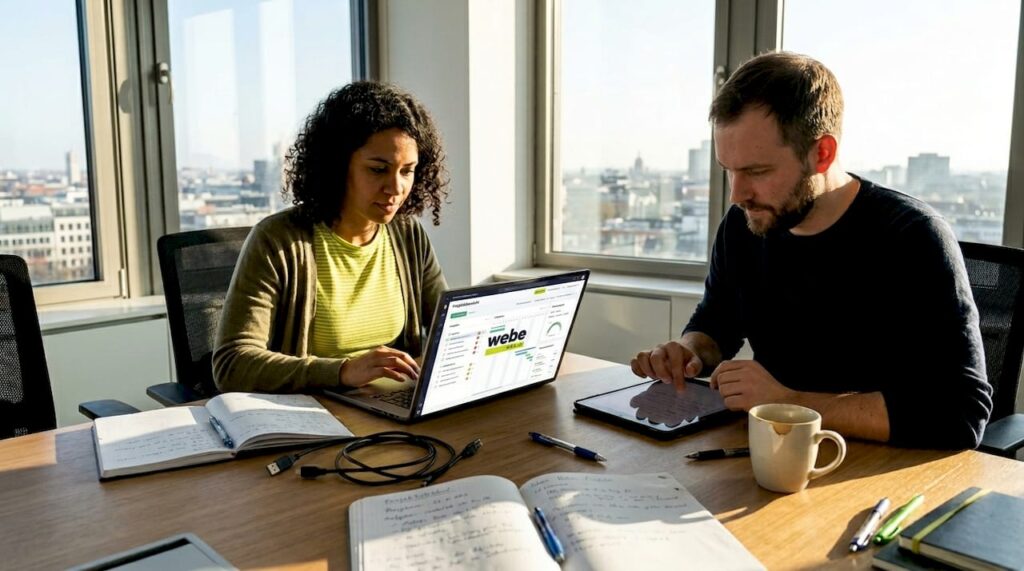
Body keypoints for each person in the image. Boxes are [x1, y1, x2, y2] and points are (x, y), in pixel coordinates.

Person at [631, 52, 992, 449]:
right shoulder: (745, 225)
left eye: (757, 171)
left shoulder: (912, 238)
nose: (737, 194)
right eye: (727, 170)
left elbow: (960, 413)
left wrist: (789, 403)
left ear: (822, 153)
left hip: (881, 473)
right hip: (775, 456)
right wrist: (688, 350)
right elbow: (718, 320)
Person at [213, 81, 449, 393]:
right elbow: (232, 364)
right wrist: (343, 371)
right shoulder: (278, 240)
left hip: (387, 407)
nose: (395, 188)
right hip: (311, 417)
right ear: (338, 166)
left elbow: (447, 329)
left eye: (407, 171)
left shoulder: (407, 235)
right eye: (378, 169)